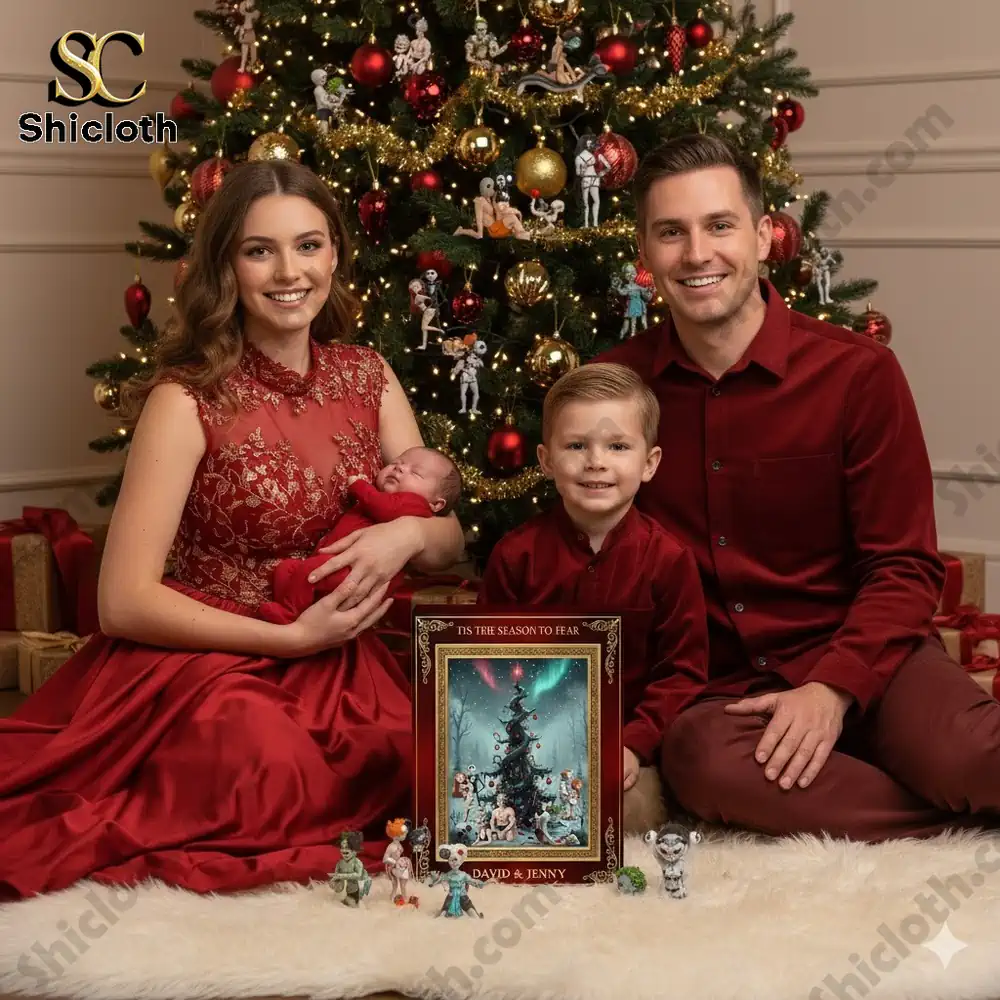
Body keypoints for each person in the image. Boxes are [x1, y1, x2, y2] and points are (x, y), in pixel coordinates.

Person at [0, 160, 465, 900]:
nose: (290, 271)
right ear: (226, 266)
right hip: (207, 656)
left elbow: (451, 541)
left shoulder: (366, 375)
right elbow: (121, 601)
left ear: (336, 254)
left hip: (343, 659)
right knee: (268, 768)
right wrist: (288, 640)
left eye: (309, 245)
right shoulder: (185, 400)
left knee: (418, 761)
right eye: (260, 250)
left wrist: (404, 538)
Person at [595, 133, 1000, 841]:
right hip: (724, 692)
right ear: (645, 250)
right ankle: (948, 827)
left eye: (719, 226)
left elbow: (904, 567)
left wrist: (833, 689)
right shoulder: (618, 390)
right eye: (671, 232)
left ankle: (944, 785)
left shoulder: (858, 373)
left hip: (870, 652)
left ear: (762, 234)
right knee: (703, 767)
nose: (697, 254)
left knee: (967, 755)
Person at [477, 363, 710, 792]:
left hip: (632, 749)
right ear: (546, 460)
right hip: (528, 745)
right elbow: (489, 668)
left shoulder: (669, 560)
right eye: (577, 445)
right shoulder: (514, 556)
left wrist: (634, 744)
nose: (596, 463)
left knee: (625, 815)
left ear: (649, 463)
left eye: (618, 446)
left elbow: (682, 672)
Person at [257, 446, 461, 624]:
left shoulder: (416, 505)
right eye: (397, 463)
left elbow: (385, 508)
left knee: (308, 573)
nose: (399, 468)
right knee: (287, 570)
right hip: (333, 563)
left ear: (436, 504)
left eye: (416, 473)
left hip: (355, 571)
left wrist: (359, 485)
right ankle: (292, 605)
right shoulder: (386, 496)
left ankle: (290, 613)